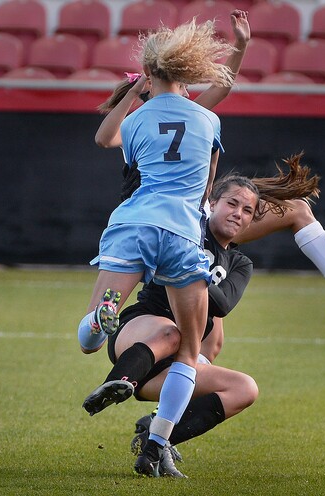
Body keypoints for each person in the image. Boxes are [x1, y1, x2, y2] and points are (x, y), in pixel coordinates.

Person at [93, 11, 325, 320]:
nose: (186, 91)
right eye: (182, 83)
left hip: (174, 224)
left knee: (211, 336)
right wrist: (240, 45)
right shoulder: (159, 120)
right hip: (183, 227)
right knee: (295, 211)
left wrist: (240, 45)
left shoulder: (162, 119)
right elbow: (221, 89)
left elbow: (109, 137)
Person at [80, 170, 319, 477]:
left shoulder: (239, 263)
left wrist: (190, 266)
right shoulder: (187, 232)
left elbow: (223, 304)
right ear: (212, 203)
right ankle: (115, 383)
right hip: (139, 333)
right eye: (231, 204)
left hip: (173, 368)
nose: (238, 214)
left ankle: (155, 442)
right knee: (172, 332)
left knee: (245, 388)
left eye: (247, 211)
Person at [76, 19, 236, 476]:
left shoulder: (138, 119)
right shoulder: (208, 119)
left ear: (149, 74)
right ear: (188, 72)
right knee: (190, 348)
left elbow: (114, 145)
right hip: (183, 234)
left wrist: (133, 94)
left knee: (91, 337)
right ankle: (157, 443)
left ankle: (100, 319)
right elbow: (206, 184)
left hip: (135, 222)